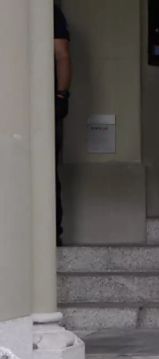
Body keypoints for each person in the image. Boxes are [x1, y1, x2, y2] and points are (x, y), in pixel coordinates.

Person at [54, 4, 71, 246]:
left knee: (46, 171)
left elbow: (62, 55)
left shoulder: (49, 12)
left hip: (41, 108)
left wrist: (60, 96)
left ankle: (52, 234)